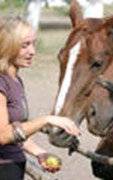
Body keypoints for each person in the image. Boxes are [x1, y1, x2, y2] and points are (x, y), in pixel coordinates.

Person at [0, 16, 80, 180]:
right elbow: (3, 135)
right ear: (8, 47)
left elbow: (17, 133)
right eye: (25, 46)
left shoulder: (15, 81)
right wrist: (46, 120)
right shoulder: (1, 83)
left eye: (33, 44)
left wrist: (40, 153)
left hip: (13, 167)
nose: (32, 52)